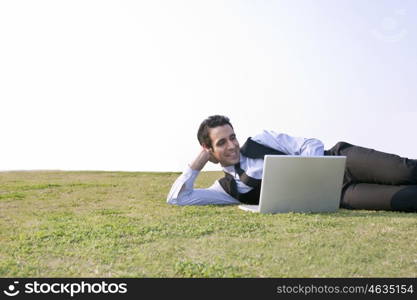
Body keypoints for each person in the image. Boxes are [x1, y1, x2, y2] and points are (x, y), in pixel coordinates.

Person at [167, 115, 417, 212]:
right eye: (221, 143)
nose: (231, 146)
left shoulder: (260, 140)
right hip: (339, 195)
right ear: (209, 149)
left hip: (343, 162)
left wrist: (313, 171)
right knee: (406, 199)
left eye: (232, 137)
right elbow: (179, 198)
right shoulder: (226, 190)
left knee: (406, 171)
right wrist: (197, 162)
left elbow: (310, 144)